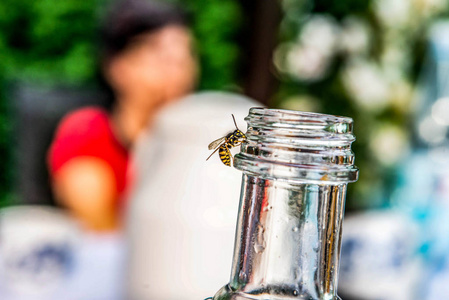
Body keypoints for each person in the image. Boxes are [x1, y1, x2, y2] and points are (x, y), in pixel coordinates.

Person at [47, 0, 197, 232]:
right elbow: (103, 234)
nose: (178, 74)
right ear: (118, 67)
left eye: (185, 58)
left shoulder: (194, 145)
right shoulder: (86, 135)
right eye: (163, 59)